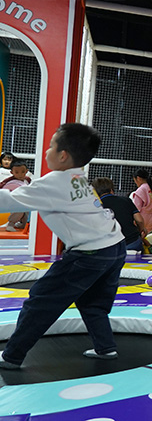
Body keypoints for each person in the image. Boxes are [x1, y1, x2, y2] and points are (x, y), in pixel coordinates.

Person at [0, 123, 126, 370]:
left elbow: (8, 201)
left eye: (50, 146)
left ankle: (12, 356)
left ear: (63, 155)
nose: (47, 151)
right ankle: (106, 347)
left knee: (41, 300)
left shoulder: (54, 181)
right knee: (93, 303)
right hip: (115, 246)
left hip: (90, 252)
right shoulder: (78, 177)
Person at [91, 177, 146, 253]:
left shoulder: (95, 206)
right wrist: (141, 230)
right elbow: (139, 220)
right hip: (132, 242)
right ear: (111, 190)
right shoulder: (126, 200)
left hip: (109, 246)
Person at [0, 159, 32, 231]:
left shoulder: (27, 180)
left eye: (23, 172)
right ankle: (11, 224)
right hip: (12, 201)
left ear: (26, 171)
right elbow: (2, 187)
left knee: (27, 210)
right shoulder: (9, 182)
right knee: (19, 209)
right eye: (17, 172)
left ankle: (23, 224)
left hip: (23, 200)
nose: (20, 175)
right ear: (12, 172)